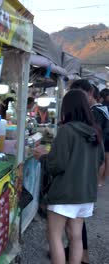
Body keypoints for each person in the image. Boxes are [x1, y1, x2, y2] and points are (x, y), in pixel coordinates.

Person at [34, 89, 104, 264]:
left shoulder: (67, 131)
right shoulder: (95, 132)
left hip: (64, 193)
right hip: (86, 194)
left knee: (54, 236)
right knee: (76, 237)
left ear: (67, 108)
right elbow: (100, 159)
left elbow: (56, 164)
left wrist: (43, 156)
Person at [71, 80, 109, 187]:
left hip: (96, 145)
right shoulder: (98, 110)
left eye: (80, 94)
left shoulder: (96, 111)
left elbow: (94, 133)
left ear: (90, 93)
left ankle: (97, 183)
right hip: (98, 144)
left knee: (100, 161)